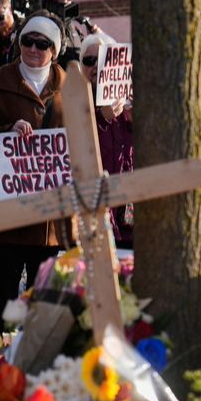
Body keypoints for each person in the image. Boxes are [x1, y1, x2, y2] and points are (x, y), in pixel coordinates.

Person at [0, 13, 72, 330]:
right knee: (7, 273)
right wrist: (7, 131)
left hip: (49, 204)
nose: (34, 48)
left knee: (43, 278)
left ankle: (35, 341)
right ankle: (7, 338)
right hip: (9, 196)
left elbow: (83, 139)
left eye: (42, 43)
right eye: (28, 40)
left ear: (54, 50)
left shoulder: (72, 86)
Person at [81, 32, 134, 248]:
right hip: (95, 207)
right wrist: (101, 118)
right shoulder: (74, 99)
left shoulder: (130, 100)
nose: (95, 65)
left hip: (128, 208)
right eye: (89, 60)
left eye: (102, 59)